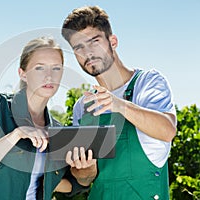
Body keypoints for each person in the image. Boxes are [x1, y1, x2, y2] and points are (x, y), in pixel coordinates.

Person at [61, 6, 177, 199]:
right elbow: (85, 179)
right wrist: (84, 168)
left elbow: (167, 130)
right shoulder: (83, 106)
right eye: (78, 47)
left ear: (112, 41)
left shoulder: (147, 82)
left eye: (94, 41)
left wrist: (119, 105)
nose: (87, 52)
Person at [0, 37, 86, 200]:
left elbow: (67, 184)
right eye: (39, 68)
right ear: (22, 73)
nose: (49, 76)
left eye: (56, 69)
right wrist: (16, 134)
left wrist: (86, 170)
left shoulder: (56, 130)